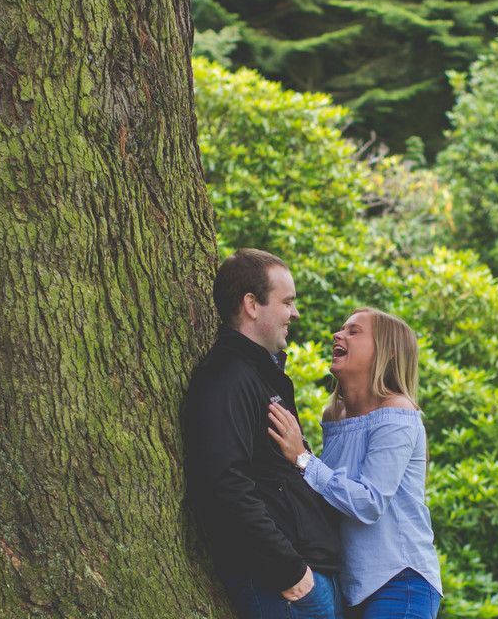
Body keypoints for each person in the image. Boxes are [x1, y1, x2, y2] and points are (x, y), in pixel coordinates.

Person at [185, 248, 345, 619]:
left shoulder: (260, 375)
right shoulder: (226, 378)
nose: (295, 313)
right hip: (282, 584)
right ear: (252, 305)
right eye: (287, 302)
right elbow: (226, 484)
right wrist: (291, 572)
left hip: (305, 579)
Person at [268, 307, 443, 619]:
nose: (338, 335)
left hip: (400, 582)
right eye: (342, 329)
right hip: (350, 586)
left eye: (353, 331)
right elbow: (330, 496)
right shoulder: (334, 415)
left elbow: (369, 503)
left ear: (388, 353)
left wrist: (304, 459)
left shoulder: (397, 412)